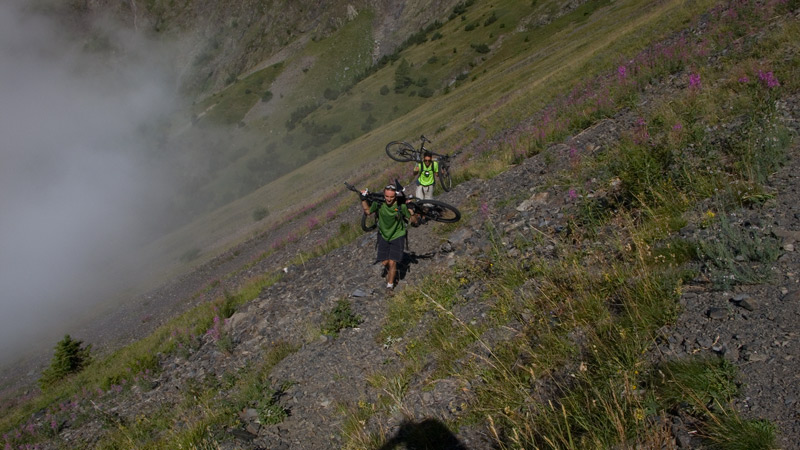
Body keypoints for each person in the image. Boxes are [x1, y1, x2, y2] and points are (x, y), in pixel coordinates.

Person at [361, 184, 417, 289]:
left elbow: (414, 221)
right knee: (385, 262)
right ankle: (392, 272)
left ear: (395, 196)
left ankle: (389, 286)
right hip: (383, 235)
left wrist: (411, 211)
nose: (389, 199)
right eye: (387, 196)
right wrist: (363, 200)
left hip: (397, 235)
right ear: (384, 195)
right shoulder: (379, 204)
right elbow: (368, 212)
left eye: (391, 197)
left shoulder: (401, 206)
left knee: (392, 262)